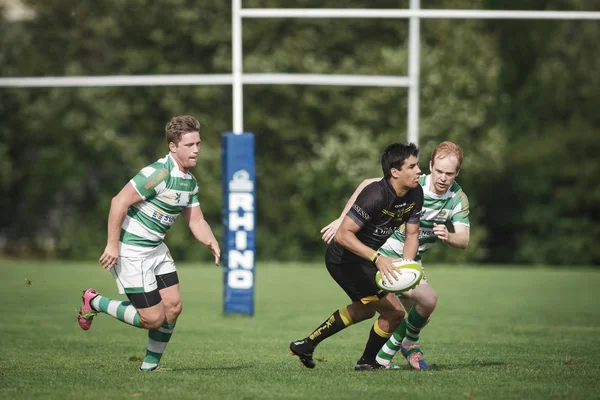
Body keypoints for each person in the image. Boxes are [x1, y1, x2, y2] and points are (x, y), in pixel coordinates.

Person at [76, 115, 221, 371]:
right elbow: (118, 202)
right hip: (132, 251)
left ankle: (150, 367)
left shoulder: (189, 182)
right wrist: (112, 245)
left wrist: (211, 241)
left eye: (198, 143)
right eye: (190, 145)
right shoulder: (157, 173)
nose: (197, 149)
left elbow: (196, 220)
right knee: (153, 319)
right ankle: (94, 301)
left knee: (173, 307)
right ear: (173, 147)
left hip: (156, 249)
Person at [320, 141, 470, 370]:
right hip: (387, 253)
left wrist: (449, 237)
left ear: (457, 173)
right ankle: (392, 354)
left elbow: (464, 239)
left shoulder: (457, 199)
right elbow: (367, 186)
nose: (442, 177)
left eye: (449, 173)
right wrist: (342, 220)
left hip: (411, 260)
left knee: (420, 313)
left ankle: (401, 348)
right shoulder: (414, 180)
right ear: (430, 166)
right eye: (438, 171)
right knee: (422, 303)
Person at [290, 142, 424, 371]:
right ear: (395, 172)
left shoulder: (415, 193)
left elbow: (412, 234)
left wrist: (406, 267)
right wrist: (378, 258)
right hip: (344, 260)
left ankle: (306, 345)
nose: (419, 170)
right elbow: (342, 235)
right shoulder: (375, 195)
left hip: (363, 260)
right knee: (394, 313)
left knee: (365, 310)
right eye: (412, 166)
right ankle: (367, 362)